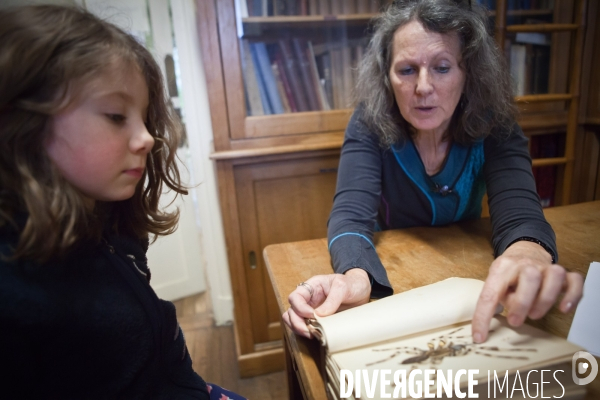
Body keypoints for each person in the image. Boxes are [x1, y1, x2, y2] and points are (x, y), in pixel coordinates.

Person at [283, 0, 583, 344]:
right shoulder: (369, 122)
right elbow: (349, 216)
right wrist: (356, 274)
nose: (423, 87)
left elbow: (521, 212)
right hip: (394, 279)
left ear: (468, 72)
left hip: (466, 272)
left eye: (442, 67)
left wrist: (526, 255)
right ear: (386, 77)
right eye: (406, 70)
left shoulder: (495, 122)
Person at [0, 5, 245, 399]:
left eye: (144, 118)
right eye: (116, 116)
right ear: (22, 122)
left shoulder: (111, 223)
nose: (146, 137)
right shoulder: (13, 291)